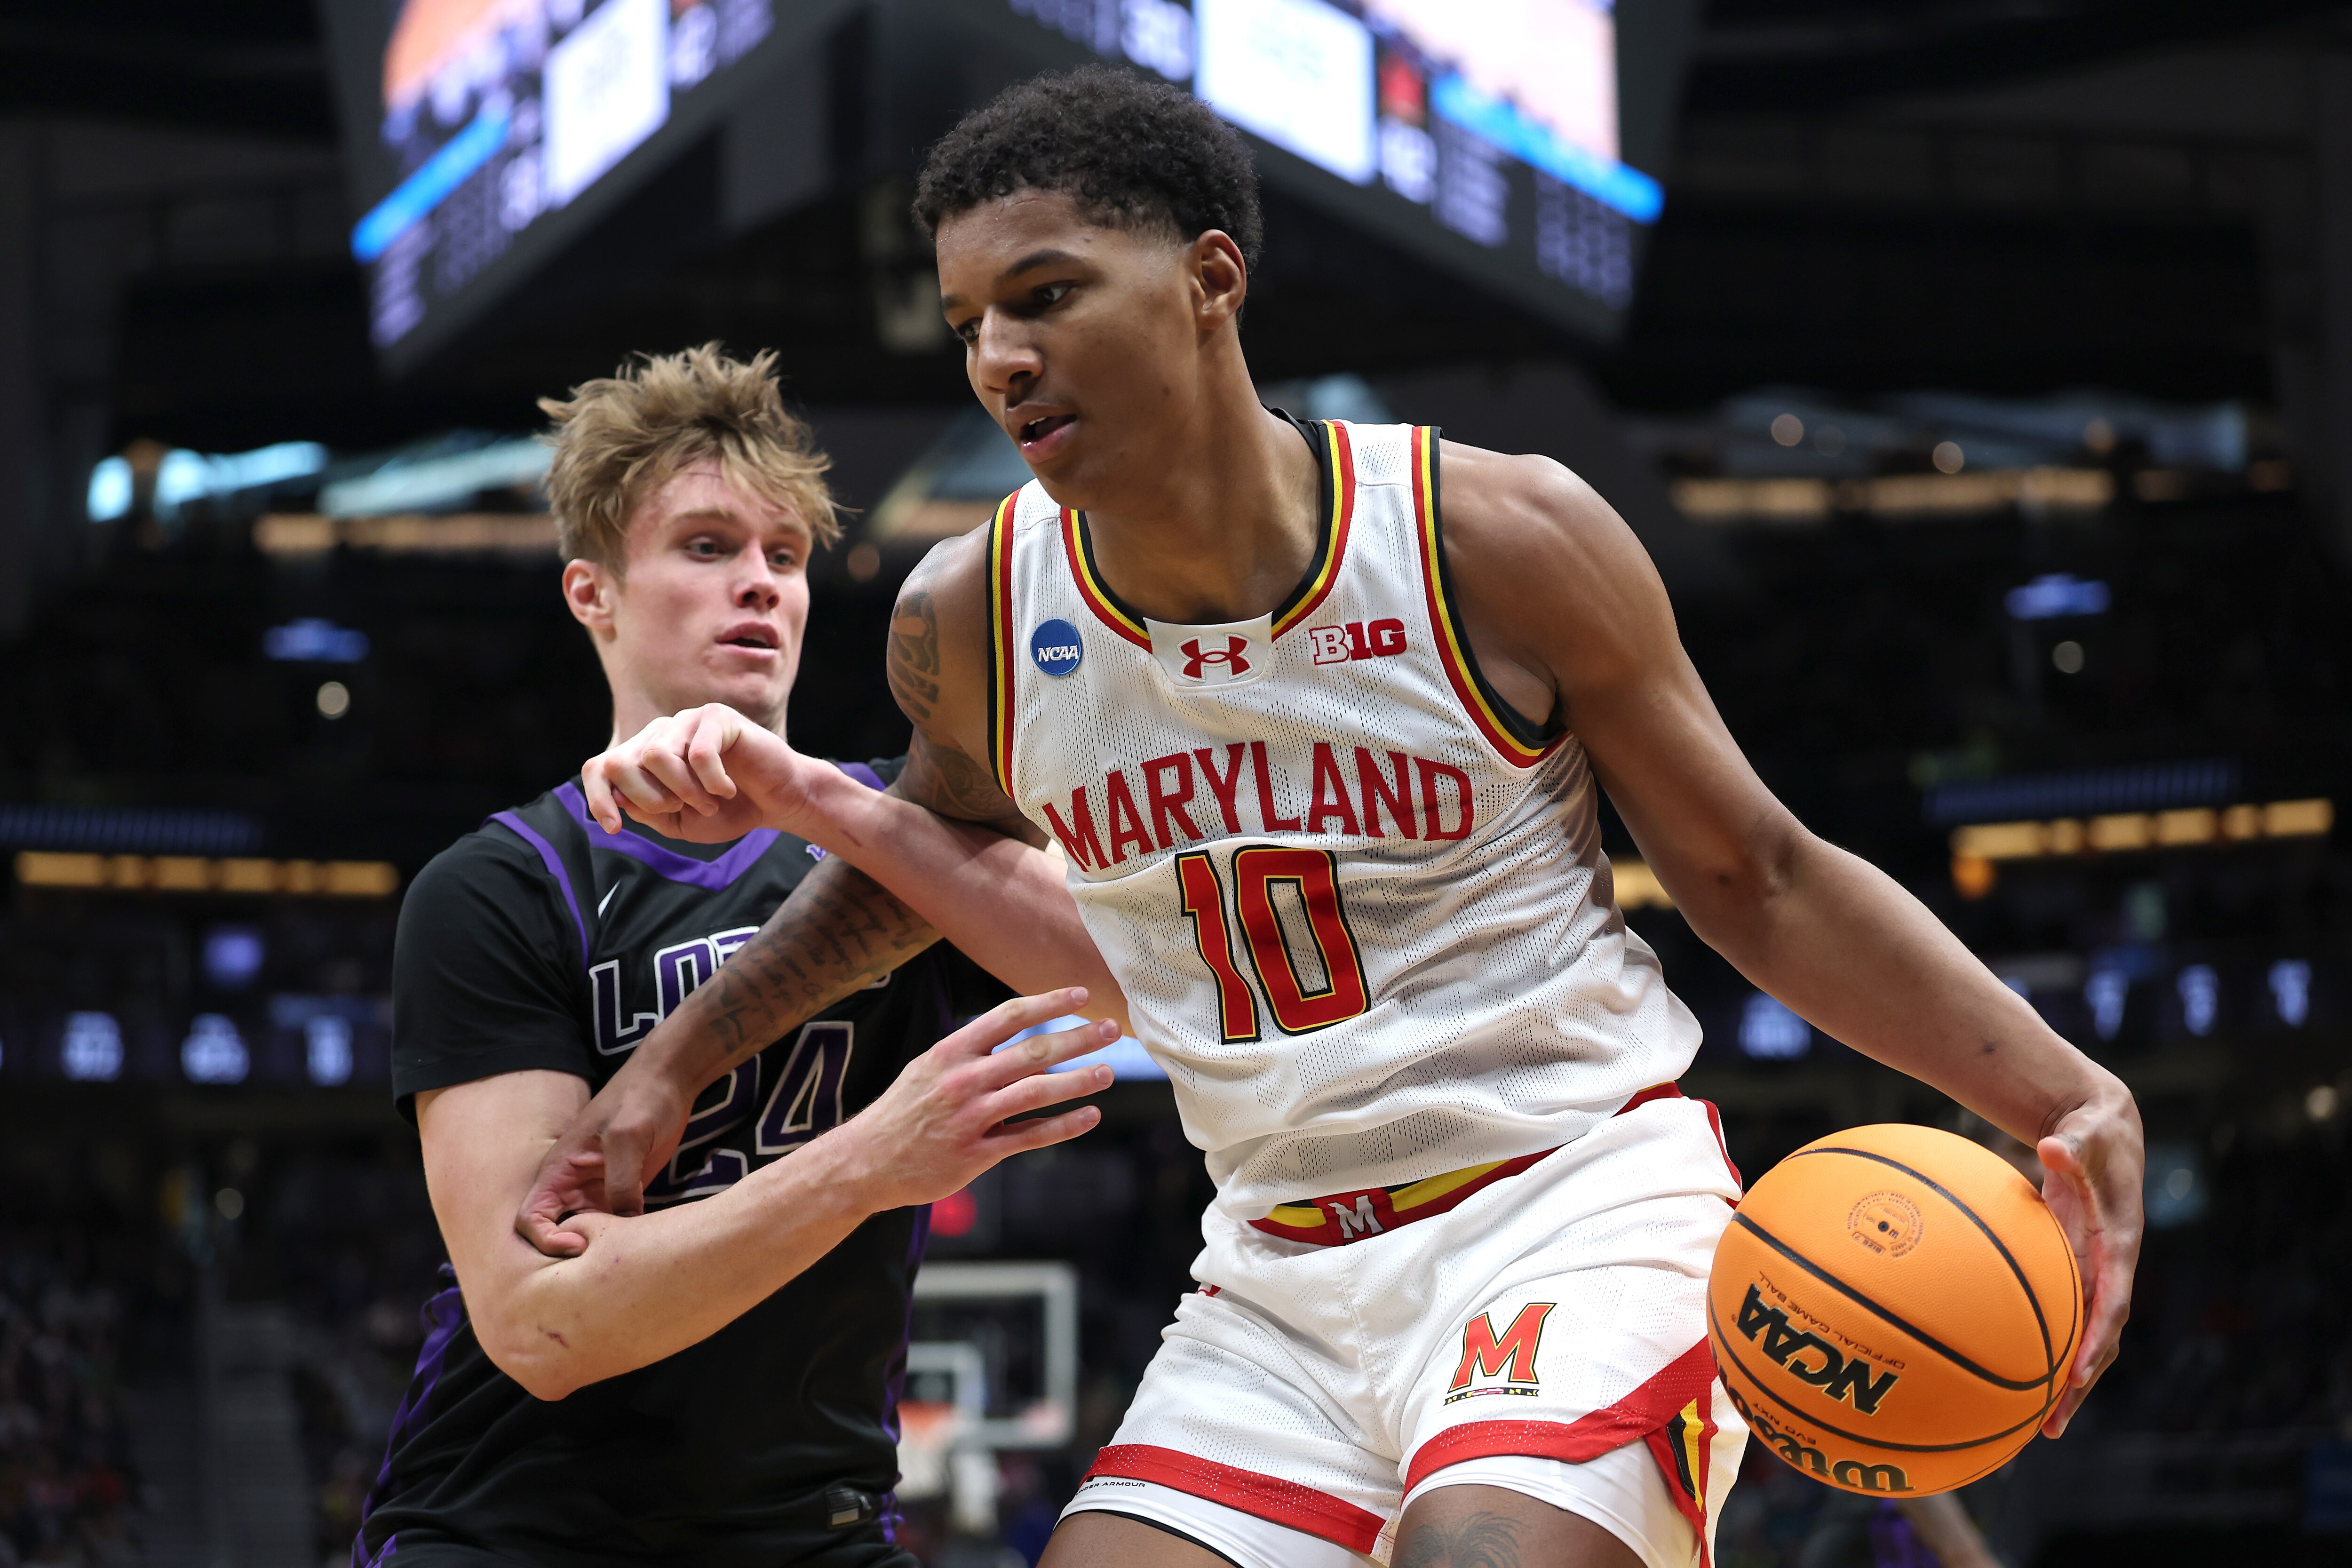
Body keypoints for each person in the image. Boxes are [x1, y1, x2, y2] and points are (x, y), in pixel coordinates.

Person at [528, 71, 2145, 1568]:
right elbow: (904, 878)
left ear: (1211, 282)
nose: (998, 359)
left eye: (1045, 296)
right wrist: (671, 1071)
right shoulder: (977, 611)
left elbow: (1762, 876)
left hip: (1569, 1202)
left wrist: (2061, 1088)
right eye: (967, 323)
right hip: (1279, 1272)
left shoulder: (1490, 537)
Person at [357, 343, 1119, 1568]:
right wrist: (873, 1158)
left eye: (784, 556)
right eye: (707, 549)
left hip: (812, 1530)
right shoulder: (497, 887)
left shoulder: (896, 833)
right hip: (515, 1529)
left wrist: (812, 800)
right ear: (591, 595)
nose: (758, 586)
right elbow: (542, 1328)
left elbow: (1134, 982)